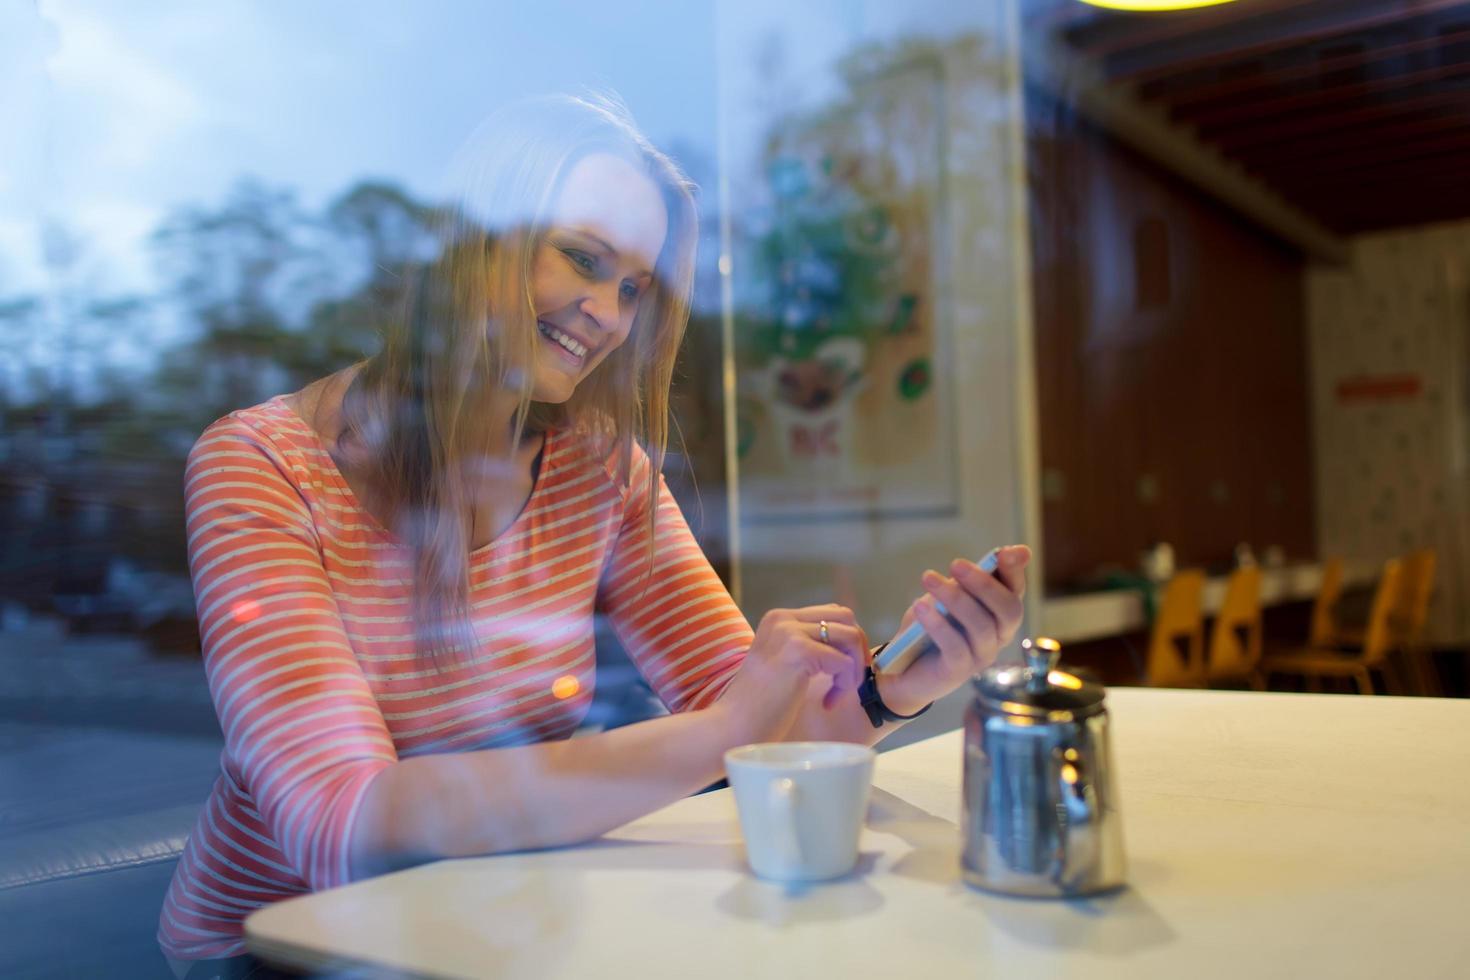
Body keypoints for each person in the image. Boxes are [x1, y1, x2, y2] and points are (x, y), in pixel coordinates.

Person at [158, 94, 1029, 975]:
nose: (607, 316)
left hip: (495, 920)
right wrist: (723, 727)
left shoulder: (599, 470)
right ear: (475, 241)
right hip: (280, 949)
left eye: (630, 290)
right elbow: (345, 831)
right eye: (581, 258)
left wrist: (898, 686)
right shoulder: (260, 465)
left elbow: (759, 742)